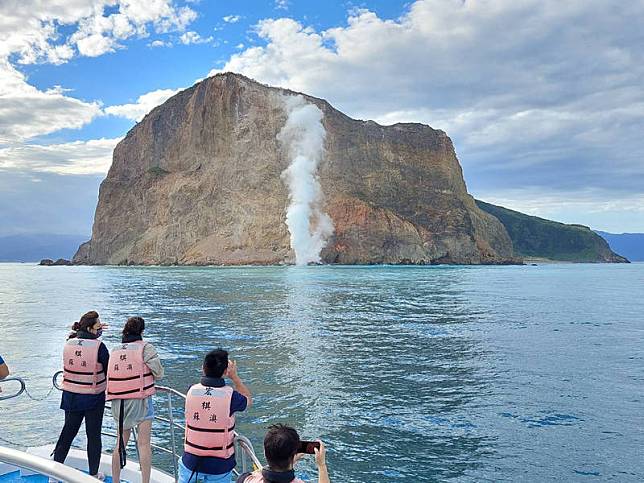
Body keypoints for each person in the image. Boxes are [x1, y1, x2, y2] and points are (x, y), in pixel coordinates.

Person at [179, 349, 253, 483]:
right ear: (225, 371)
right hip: (219, 466)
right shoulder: (232, 397)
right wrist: (235, 377)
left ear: (203, 368)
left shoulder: (191, 390)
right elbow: (248, 399)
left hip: (190, 461)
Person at [53, 311, 109, 479]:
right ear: (91, 328)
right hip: (93, 398)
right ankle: (93, 474)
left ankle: (53, 475)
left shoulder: (69, 343)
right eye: (98, 327)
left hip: (70, 396)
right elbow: (108, 370)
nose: (100, 330)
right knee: (93, 436)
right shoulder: (99, 347)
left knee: (67, 434)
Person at [108, 316, 164, 483]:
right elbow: (159, 373)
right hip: (141, 401)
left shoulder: (116, 350)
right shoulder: (146, 348)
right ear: (142, 331)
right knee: (144, 444)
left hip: (119, 402)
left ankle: (115, 481)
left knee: (120, 444)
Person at [236, 425, 329, 483]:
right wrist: (322, 465)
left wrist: (290, 459)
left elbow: (269, 472)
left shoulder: (246, 479)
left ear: (265, 453)